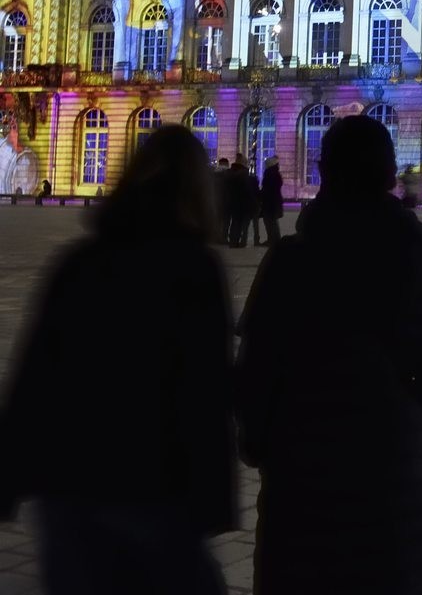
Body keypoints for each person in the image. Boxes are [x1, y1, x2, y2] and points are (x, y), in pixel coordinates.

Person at [236, 116, 422, 595]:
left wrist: (260, 444)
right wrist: (413, 418)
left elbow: (254, 375)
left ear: (323, 171)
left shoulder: (289, 261)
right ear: (389, 176)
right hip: (391, 481)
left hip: (300, 487)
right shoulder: (421, 255)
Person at [0, 125, 234, 594]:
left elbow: (36, 374)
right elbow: (205, 394)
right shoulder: (195, 270)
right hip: (154, 486)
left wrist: (10, 475)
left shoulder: (82, 259)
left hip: (69, 484)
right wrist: (213, 498)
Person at [226, 156, 259, 249]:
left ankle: (233, 241)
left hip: (234, 203)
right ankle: (242, 242)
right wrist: (254, 203)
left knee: (235, 223)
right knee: (244, 224)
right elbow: (248, 191)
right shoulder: (245, 175)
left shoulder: (230, 173)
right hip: (245, 204)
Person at [259, 157, 284, 246]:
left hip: (270, 202)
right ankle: (274, 239)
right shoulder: (276, 173)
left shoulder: (270, 173)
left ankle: (273, 240)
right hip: (274, 202)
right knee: (272, 222)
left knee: (270, 222)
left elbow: (267, 189)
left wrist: (261, 195)